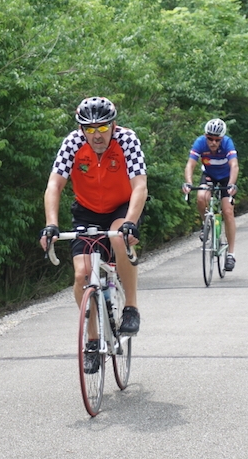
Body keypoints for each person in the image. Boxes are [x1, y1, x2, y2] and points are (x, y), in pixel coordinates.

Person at [40, 97, 147, 344]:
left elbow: (140, 185)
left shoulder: (127, 140)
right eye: (89, 129)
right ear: (81, 129)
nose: (96, 135)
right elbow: (54, 185)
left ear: (113, 125)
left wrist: (131, 222)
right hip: (87, 211)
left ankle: (131, 307)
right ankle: (92, 340)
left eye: (102, 128)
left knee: (119, 238)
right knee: (82, 275)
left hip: (122, 207)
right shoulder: (73, 143)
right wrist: (51, 224)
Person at [181, 118, 239, 271]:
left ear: (222, 138)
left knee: (228, 211)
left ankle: (231, 254)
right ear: (205, 136)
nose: (213, 142)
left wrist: (231, 184)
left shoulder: (227, 143)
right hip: (209, 176)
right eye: (210, 138)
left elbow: (234, 165)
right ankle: (205, 224)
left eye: (217, 140)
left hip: (226, 177)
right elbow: (190, 164)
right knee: (201, 198)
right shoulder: (200, 142)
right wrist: (188, 182)